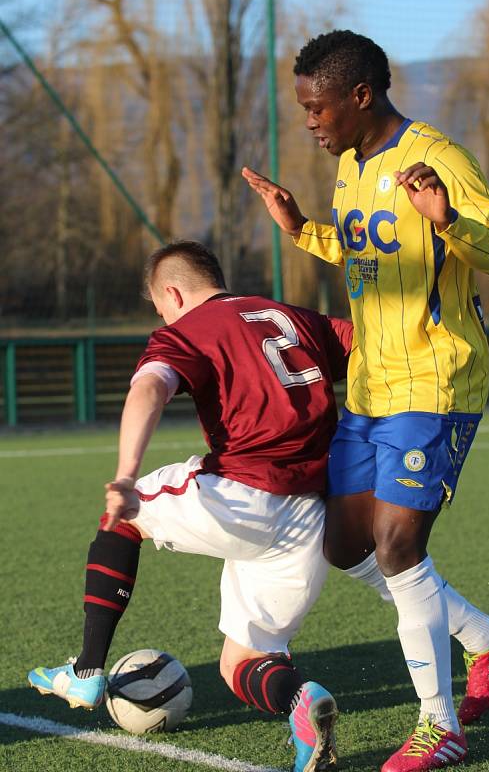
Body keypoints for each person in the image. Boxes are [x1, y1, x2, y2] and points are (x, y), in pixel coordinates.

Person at [242, 30, 489, 772]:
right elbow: (371, 253)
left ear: (360, 96)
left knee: (398, 546)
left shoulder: (436, 157)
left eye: (317, 106)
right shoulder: (348, 165)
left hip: (434, 381)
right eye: (303, 107)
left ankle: (441, 726)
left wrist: (449, 220)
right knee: (343, 547)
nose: (309, 120)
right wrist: (302, 228)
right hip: (368, 387)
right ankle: (487, 639)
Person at [28, 240, 355, 772]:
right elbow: (372, 348)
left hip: (243, 494)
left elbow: (150, 389)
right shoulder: (291, 316)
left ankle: (86, 670)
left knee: (125, 515)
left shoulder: (187, 330)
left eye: (159, 306)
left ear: (173, 293)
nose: (161, 315)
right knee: (243, 662)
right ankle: (302, 697)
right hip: (312, 517)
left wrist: (125, 476)